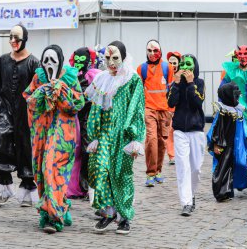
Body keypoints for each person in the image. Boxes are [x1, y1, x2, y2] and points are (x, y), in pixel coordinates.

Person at [85, 41, 146, 234]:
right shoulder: (101, 79)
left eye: (115, 58)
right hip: (104, 133)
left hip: (123, 134)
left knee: (121, 175)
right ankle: (109, 212)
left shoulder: (132, 80)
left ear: (123, 58)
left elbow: (136, 108)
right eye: (108, 58)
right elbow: (95, 108)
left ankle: (124, 217)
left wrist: (135, 138)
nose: (111, 62)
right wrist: (93, 135)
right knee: (100, 171)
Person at [23, 44, 85, 233]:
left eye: (53, 60)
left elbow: (78, 103)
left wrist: (62, 91)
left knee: (51, 169)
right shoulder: (38, 77)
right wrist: (41, 93)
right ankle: (57, 207)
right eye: (46, 60)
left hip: (62, 135)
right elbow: (28, 98)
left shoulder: (69, 77)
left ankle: (53, 217)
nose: (49, 64)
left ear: (60, 61)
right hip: (41, 133)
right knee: (41, 173)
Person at [0, 24, 39, 207]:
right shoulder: (3, 60)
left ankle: (28, 188)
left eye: (17, 38)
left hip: (25, 112)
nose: (13, 41)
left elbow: (38, 89)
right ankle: (5, 184)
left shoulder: (33, 62)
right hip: (4, 110)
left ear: (25, 39)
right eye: (11, 37)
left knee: (25, 147)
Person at [168, 53, 205, 216]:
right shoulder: (175, 83)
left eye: (188, 65)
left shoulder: (199, 83)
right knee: (183, 167)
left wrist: (190, 84)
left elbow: (198, 102)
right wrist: (176, 85)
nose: (184, 69)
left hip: (196, 130)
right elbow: (170, 102)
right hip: (180, 131)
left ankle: (192, 193)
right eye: (182, 65)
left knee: (196, 168)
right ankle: (187, 202)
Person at [207, 82, 247, 202]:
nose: (238, 95)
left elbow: (243, 126)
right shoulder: (223, 111)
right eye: (235, 92)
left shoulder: (238, 110)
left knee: (236, 166)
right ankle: (220, 192)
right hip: (224, 145)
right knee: (223, 168)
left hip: (236, 145)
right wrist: (216, 143)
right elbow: (216, 128)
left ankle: (229, 189)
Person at [137, 39, 174, 187]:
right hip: (149, 109)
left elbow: (172, 90)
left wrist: (171, 110)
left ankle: (158, 171)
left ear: (160, 51)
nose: (152, 53)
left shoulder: (168, 68)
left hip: (164, 110)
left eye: (155, 50)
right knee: (151, 139)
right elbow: (139, 92)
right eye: (149, 50)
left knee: (161, 142)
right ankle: (150, 173)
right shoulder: (141, 69)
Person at [67, 47, 101, 199]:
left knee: (88, 152)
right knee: (74, 152)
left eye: (83, 60)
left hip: (88, 119)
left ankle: (88, 186)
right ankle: (76, 187)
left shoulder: (94, 76)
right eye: (77, 60)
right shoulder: (70, 76)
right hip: (74, 119)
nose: (79, 63)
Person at [220, 45, 247, 129]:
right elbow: (222, 90)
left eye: (245, 54)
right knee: (237, 134)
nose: (243, 57)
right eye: (240, 54)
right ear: (237, 55)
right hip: (235, 108)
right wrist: (222, 106)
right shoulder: (231, 71)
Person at [166, 51, 182, 165]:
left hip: (181, 109)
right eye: (170, 62)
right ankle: (172, 156)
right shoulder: (166, 74)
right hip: (169, 109)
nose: (172, 65)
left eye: (174, 62)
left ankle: (180, 154)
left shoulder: (183, 75)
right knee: (170, 132)